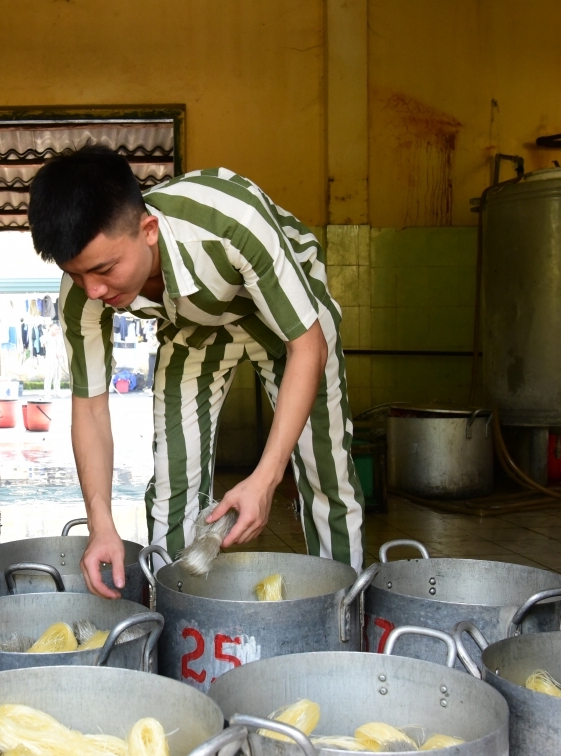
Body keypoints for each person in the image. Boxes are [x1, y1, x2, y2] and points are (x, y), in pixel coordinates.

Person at [28, 145, 364, 598]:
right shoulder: (82, 291)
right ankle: (177, 620)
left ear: (148, 230)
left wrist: (266, 479)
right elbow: (89, 409)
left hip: (293, 323)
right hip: (193, 327)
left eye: (105, 270)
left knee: (328, 474)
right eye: (78, 273)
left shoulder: (230, 219)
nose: (94, 289)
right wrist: (101, 524)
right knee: (173, 483)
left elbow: (307, 347)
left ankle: (342, 611)